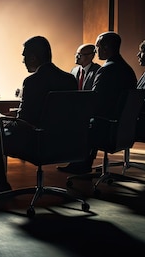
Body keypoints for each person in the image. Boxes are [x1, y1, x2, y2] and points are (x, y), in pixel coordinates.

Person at [0, 36, 77, 197]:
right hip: (65, 142)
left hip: (37, 143)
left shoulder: (32, 81)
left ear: (33, 57)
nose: (23, 61)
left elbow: (25, 120)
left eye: (24, 56)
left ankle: (0, 183)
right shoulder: (70, 79)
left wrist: (6, 121)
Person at [57, 31, 138, 174]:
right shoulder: (127, 69)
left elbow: (95, 100)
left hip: (106, 126)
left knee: (76, 121)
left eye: (97, 46)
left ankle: (80, 163)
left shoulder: (106, 70)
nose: (96, 50)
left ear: (105, 48)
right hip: (121, 126)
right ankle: (82, 163)